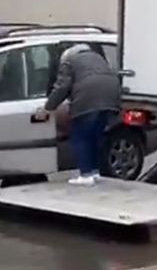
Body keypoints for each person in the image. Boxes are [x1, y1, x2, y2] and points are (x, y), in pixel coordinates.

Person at [36, 43, 122, 186]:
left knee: (80, 136)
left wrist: (48, 108)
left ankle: (85, 174)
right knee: (95, 136)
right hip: (111, 95)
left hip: (88, 98)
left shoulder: (69, 62)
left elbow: (62, 87)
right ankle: (95, 172)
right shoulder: (97, 58)